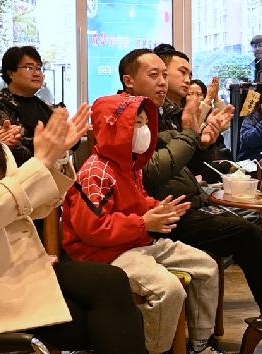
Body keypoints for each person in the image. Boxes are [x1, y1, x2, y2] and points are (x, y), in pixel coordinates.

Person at [0, 34, 145, 353]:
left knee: (110, 282)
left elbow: (35, 208)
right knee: (100, 319)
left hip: (3, 265)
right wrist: (41, 161)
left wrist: (57, 157)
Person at [62, 93, 222, 354]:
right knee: (168, 290)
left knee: (206, 266)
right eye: (137, 123)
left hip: (138, 242)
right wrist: (143, 223)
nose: (145, 130)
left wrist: (158, 209)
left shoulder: (130, 164)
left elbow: (136, 202)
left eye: (147, 123)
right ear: (116, 127)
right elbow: (92, 229)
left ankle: (201, 343)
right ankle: (153, 349)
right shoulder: (95, 172)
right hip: (104, 254)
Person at [121, 45, 262, 312]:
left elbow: (190, 167)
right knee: (247, 234)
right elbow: (151, 172)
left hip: (183, 205)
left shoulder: (164, 114)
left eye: (164, 75)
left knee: (261, 226)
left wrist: (205, 143)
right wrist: (191, 135)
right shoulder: (125, 116)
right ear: (129, 81)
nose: (163, 82)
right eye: (156, 75)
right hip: (160, 216)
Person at [0, 46, 55, 166]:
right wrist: (53, 145)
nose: (37, 73)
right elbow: (16, 152)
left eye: (39, 68)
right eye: (29, 68)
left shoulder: (43, 105)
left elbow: (69, 143)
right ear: (10, 73)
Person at [186, 78, 233, 184]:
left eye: (199, 94)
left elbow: (225, 125)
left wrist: (215, 97)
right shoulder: (183, 113)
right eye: (190, 94)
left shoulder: (209, 111)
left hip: (216, 158)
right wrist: (208, 98)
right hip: (196, 163)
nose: (194, 97)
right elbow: (195, 127)